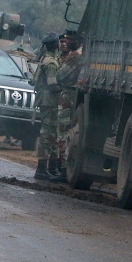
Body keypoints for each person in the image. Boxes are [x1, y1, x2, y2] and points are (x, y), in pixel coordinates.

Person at [32, 32, 63, 181]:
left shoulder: (46, 59)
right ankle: (41, 169)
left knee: (53, 135)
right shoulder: (51, 63)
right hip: (49, 101)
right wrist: (65, 88)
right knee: (47, 135)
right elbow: (52, 85)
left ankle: (51, 168)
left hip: (46, 101)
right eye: (59, 41)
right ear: (55, 44)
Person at [56, 31, 83, 178]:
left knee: (64, 133)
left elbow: (60, 75)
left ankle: (63, 170)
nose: (66, 42)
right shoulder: (79, 55)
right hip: (71, 97)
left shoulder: (75, 56)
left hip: (69, 98)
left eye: (70, 40)